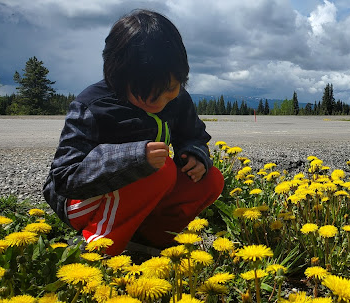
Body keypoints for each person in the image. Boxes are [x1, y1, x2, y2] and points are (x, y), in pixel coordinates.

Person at [43, 9, 224, 256]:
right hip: (82, 203)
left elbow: (194, 136)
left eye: (170, 88)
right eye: (147, 93)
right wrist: (133, 157)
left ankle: (148, 243)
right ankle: (98, 251)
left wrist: (195, 154)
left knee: (210, 180)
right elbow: (65, 177)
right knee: (158, 169)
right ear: (119, 78)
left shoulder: (179, 100)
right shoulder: (94, 105)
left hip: (140, 199)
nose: (160, 101)